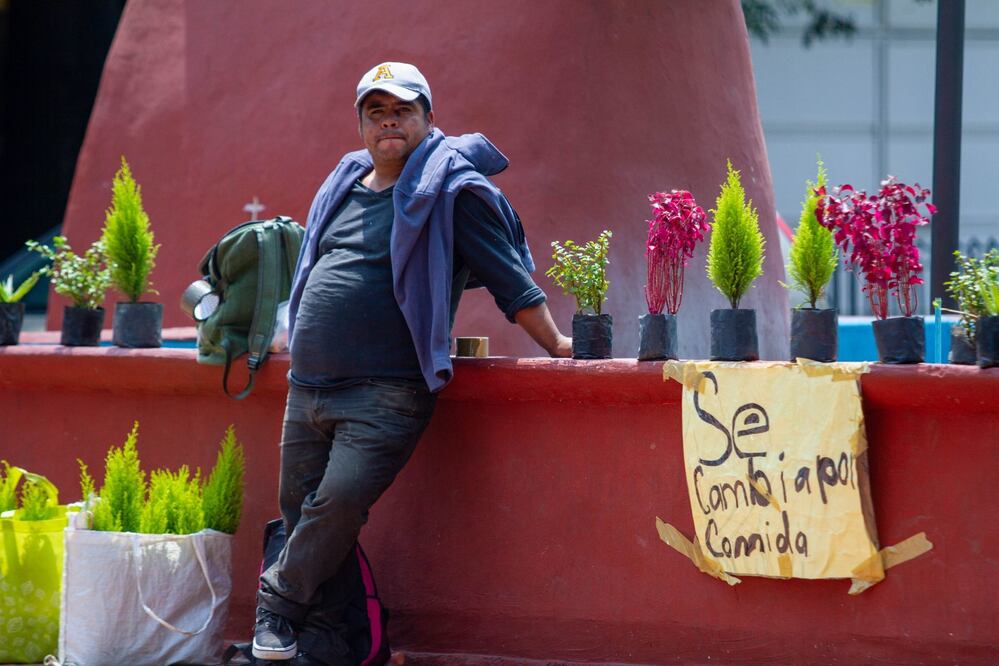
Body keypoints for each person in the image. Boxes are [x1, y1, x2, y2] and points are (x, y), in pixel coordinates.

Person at [253, 62, 571, 664]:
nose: (389, 121)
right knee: (304, 519)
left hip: (386, 394)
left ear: (428, 118)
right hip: (308, 386)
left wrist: (558, 346)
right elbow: (312, 266)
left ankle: (275, 609)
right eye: (376, 112)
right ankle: (332, 648)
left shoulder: (448, 194)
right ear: (362, 126)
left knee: (335, 506)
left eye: (402, 110)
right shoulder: (343, 183)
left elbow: (513, 283)